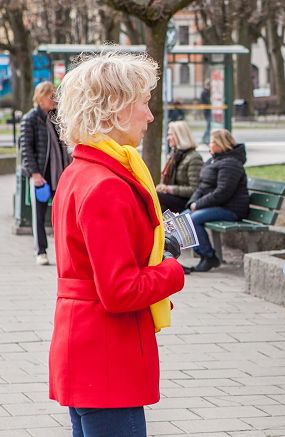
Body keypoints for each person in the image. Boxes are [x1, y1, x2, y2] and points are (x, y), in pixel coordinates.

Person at [49, 51, 185, 437]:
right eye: (143, 103)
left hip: (86, 347)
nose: (150, 115)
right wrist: (171, 268)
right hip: (107, 354)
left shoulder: (81, 172)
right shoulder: (107, 184)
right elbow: (121, 291)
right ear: (116, 110)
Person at [20, 81, 70, 265]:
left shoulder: (57, 118)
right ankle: (41, 251)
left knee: (62, 215)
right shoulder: (30, 119)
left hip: (60, 175)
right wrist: (34, 173)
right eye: (51, 96)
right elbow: (26, 148)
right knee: (39, 216)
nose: (54, 100)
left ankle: (63, 252)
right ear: (41, 97)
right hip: (41, 175)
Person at [186, 129, 249, 272]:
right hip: (216, 206)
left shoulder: (231, 163)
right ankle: (203, 254)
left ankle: (209, 257)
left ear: (222, 144)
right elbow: (202, 186)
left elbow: (223, 193)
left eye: (212, 141)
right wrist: (192, 203)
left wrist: (199, 204)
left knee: (192, 219)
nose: (209, 144)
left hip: (231, 209)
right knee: (184, 217)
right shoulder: (213, 160)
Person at [156, 121, 203, 213]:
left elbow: (195, 189)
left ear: (179, 136)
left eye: (170, 135)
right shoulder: (175, 155)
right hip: (174, 198)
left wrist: (169, 189)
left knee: (155, 196)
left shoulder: (194, 158)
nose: (168, 138)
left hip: (187, 201)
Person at [200, 79, 211, 144]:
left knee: (209, 125)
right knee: (209, 125)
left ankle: (205, 138)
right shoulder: (205, 92)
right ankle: (205, 139)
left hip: (207, 111)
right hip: (207, 111)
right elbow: (207, 101)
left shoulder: (205, 92)